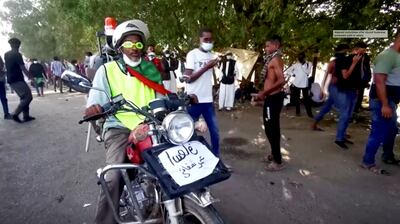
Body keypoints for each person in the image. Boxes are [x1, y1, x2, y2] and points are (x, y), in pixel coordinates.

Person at [85, 19, 164, 224]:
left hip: (151, 125)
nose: (135, 49)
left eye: (138, 44)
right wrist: (95, 108)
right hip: (119, 127)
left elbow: (162, 98)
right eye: (129, 44)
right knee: (114, 176)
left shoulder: (151, 70)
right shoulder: (107, 70)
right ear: (120, 47)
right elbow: (96, 100)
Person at [361, 31, 400, 173]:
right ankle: (368, 162)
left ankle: (388, 155)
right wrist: (384, 104)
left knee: (392, 129)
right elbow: (379, 81)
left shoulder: (396, 56)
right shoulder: (387, 56)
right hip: (382, 100)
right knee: (379, 131)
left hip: (391, 100)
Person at [182, 27, 221, 156]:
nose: (208, 42)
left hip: (208, 100)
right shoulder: (192, 54)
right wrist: (206, 67)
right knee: (187, 131)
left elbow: (209, 78)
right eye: (206, 39)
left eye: (210, 40)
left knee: (215, 132)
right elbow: (188, 79)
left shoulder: (211, 55)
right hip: (194, 100)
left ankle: (216, 159)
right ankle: (191, 160)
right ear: (200, 39)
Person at [253, 36, 286, 171]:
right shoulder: (271, 60)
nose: (265, 48)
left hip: (273, 98)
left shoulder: (275, 60)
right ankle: (274, 154)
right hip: (270, 97)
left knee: (272, 128)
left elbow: (281, 80)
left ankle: (278, 161)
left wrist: (264, 93)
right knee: (269, 127)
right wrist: (263, 93)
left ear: (275, 46)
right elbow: (271, 80)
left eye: (268, 46)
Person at [311, 44, 349, 131]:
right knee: (343, 109)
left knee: (327, 107)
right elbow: (325, 76)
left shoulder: (342, 61)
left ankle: (314, 124)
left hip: (336, 87)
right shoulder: (333, 63)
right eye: (344, 51)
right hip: (335, 88)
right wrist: (322, 89)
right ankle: (342, 132)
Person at [334, 45, 362, 149]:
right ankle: (339, 139)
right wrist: (354, 63)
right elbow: (345, 76)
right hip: (345, 91)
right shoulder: (343, 60)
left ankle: (342, 136)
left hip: (351, 90)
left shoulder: (346, 59)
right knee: (345, 115)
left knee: (348, 115)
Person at [4, 38, 35, 123]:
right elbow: (23, 68)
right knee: (28, 97)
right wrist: (31, 78)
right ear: (18, 45)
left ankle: (26, 116)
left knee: (24, 97)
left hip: (11, 78)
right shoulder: (17, 54)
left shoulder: (6, 54)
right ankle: (15, 114)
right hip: (17, 78)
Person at [286, 52, 313, 117]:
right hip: (296, 84)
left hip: (305, 85)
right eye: (299, 58)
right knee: (297, 99)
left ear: (304, 58)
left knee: (306, 100)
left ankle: (310, 114)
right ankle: (298, 112)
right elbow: (288, 71)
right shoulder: (296, 65)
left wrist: (303, 65)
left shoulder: (309, 64)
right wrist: (293, 74)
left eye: (301, 58)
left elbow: (308, 72)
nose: (300, 59)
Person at [352, 42, 372, 113]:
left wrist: (367, 80)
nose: (364, 51)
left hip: (363, 80)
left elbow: (367, 69)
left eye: (365, 50)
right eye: (362, 49)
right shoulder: (353, 57)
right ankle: (353, 110)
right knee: (354, 95)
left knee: (360, 94)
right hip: (354, 80)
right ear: (357, 49)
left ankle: (357, 108)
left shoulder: (366, 57)